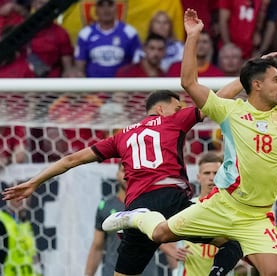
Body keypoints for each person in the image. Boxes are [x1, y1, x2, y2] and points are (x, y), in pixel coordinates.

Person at [101, 9, 277, 276]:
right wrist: (194, 35)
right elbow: (188, 82)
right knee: (160, 233)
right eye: (276, 79)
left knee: (275, 273)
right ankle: (133, 217)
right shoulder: (230, 111)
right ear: (257, 85)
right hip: (224, 204)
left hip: (258, 215)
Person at [2, 87, 244, 276]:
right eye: (177, 106)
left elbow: (72, 159)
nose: (180, 109)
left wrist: (34, 182)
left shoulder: (121, 136)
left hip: (138, 207)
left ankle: (129, 219)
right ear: (161, 109)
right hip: (173, 199)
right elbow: (216, 98)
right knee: (234, 242)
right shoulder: (173, 121)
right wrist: (247, 77)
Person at [175, 151, 234, 275]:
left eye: (216, 173)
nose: (212, 178)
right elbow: (158, 231)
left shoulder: (231, 210)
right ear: (198, 177)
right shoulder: (187, 208)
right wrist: (171, 250)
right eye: (207, 173)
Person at [73, 0, 142, 77]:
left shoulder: (129, 32)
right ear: (95, 10)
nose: (106, 9)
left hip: (122, 86)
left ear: (116, 8)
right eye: (101, 5)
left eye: (110, 4)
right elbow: (79, 68)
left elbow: (137, 65)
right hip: (93, 86)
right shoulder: (85, 34)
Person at [84, 163, 126, 276]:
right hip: (111, 272)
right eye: (123, 171)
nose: (127, 175)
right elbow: (97, 247)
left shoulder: (148, 204)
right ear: (117, 174)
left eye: (132, 171)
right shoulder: (105, 206)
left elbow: (164, 241)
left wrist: (176, 268)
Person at [0, 182, 39, 275]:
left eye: (26, 196)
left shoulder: (26, 224)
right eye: (18, 195)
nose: (23, 200)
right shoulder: (2, 221)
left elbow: (33, 256)